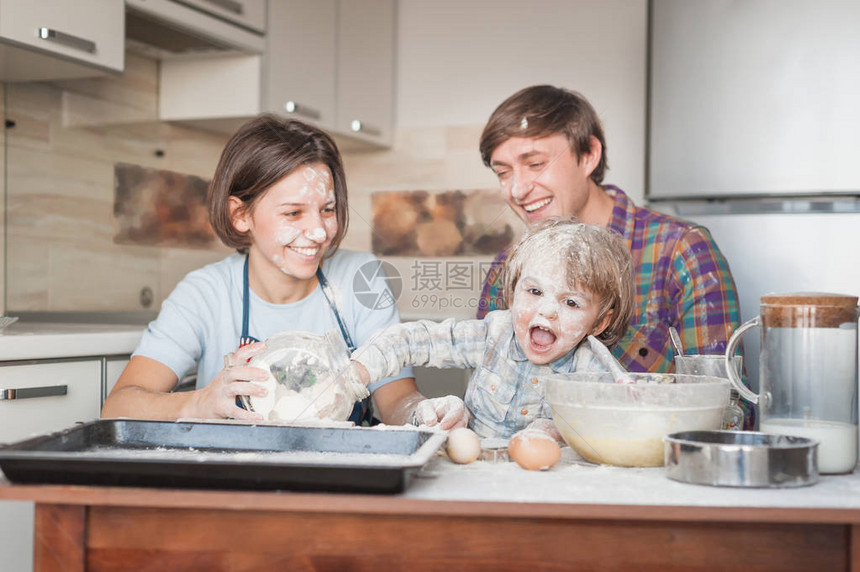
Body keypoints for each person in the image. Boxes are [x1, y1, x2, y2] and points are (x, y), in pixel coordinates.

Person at [102, 115, 455, 427]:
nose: (319, 233)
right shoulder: (204, 293)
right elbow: (118, 406)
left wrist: (423, 413)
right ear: (241, 215)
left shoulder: (359, 276)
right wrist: (199, 401)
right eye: (293, 213)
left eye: (327, 210)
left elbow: (396, 400)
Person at [349, 218, 634, 440]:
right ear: (511, 295)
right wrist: (354, 375)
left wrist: (560, 432)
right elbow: (414, 340)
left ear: (599, 322)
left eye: (571, 302)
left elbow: (621, 424)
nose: (547, 311)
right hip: (472, 480)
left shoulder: (595, 371)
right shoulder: (493, 336)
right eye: (534, 291)